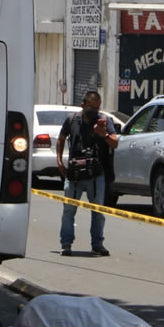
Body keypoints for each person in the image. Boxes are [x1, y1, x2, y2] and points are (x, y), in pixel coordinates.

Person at [57, 91, 118, 257]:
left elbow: (115, 143)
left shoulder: (104, 121)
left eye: (98, 108)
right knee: (69, 210)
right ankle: (66, 244)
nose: (95, 112)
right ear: (83, 105)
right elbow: (61, 139)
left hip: (95, 174)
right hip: (74, 174)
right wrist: (59, 162)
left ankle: (97, 245)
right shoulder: (71, 120)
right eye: (92, 108)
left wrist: (104, 134)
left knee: (98, 211)